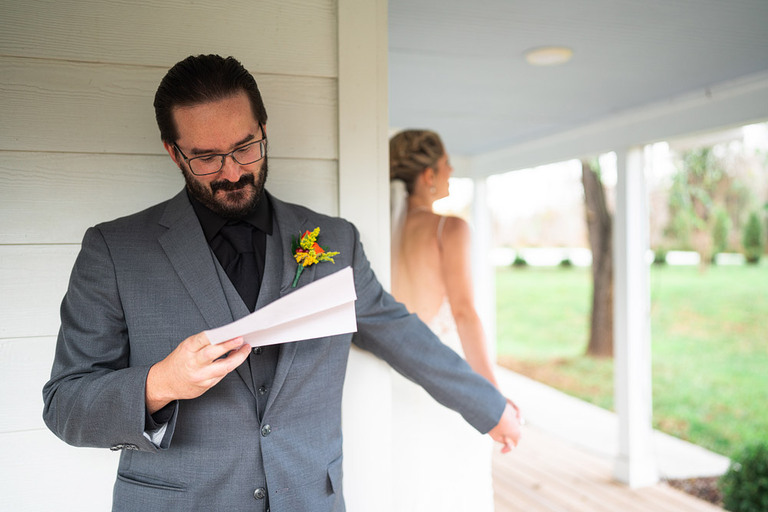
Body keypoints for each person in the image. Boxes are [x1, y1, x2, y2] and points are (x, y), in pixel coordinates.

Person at [41, 54, 522, 512]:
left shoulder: (335, 240)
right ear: (173, 152)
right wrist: (160, 383)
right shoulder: (115, 250)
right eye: (206, 157)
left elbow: (401, 332)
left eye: (245, 148)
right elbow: (65, 404)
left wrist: (489, 405)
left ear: (264, 131)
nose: (232, 173)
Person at [389, 129, 513, 511]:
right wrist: (491, 394)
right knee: (456, 483)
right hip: (448, 376)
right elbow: (463, 312)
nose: (451, 170)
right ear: (428, 175)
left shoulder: (382, 227)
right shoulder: (450, 228)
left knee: (409, 480)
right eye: (445, 165)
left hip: (397, 377)